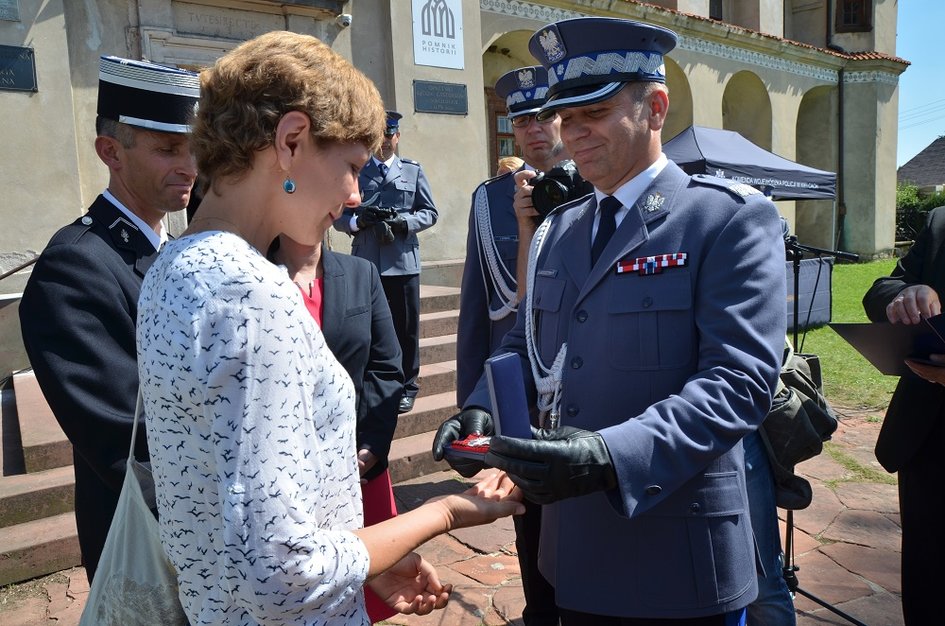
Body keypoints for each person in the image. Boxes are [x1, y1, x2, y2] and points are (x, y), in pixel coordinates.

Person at [136, 31, 523, 624]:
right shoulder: (253, 292)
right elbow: (283, 572)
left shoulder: (176, 264)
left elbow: (243, 511)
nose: (351, 195)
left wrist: (369, 558)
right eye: (350, 166)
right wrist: (448, 511)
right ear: (290, 141)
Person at [434, 16, 787, 624]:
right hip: (570, 555)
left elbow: (740, 383)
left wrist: (608, 456)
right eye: (564, 118)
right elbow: (527, 343)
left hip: (676, 555)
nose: (573, 133)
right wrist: (482, 409)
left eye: (593, 113)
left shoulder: (724, 220)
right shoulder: (558, 228)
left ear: (655, 107)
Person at [18, 56, 199, 582]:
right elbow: (128, 443)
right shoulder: (75, 265)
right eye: (169, 149)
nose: (189, 166)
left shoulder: (180, 251)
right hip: (152, 549)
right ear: (110, 152)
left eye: (194, 149)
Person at [456, 64, 571, 626]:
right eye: (522, 118)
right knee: (528, 513)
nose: (533, 129)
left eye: (545, 114)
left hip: (579, 380)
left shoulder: (599, 184)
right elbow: (480, 307)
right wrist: (471, 402)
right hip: (514, 383)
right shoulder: (491, 199)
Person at [268, 232, 403, 623]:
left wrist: (370, 450)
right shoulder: (256, 276)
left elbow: (387, 368)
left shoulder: (361, 273)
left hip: (358, 471)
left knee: (370, 592)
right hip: (283, 483)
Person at [862, 205, 945, 625]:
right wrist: (904, 295)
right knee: (927, 584)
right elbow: (881, 288)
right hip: (928, 444)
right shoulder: (941, 223)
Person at [333, 110, 438, 415]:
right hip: (367, 261)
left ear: (397, 137)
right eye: (380, 137)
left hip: (402, 260)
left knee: (406, 329)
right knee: (368, 328)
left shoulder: (412, 171)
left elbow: (429, 212)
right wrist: (358, 222)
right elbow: (339, 215)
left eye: (389, 136)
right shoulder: (358, 171)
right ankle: (373, 383)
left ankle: (408, 386)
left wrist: (403, 224)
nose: (385, 143)